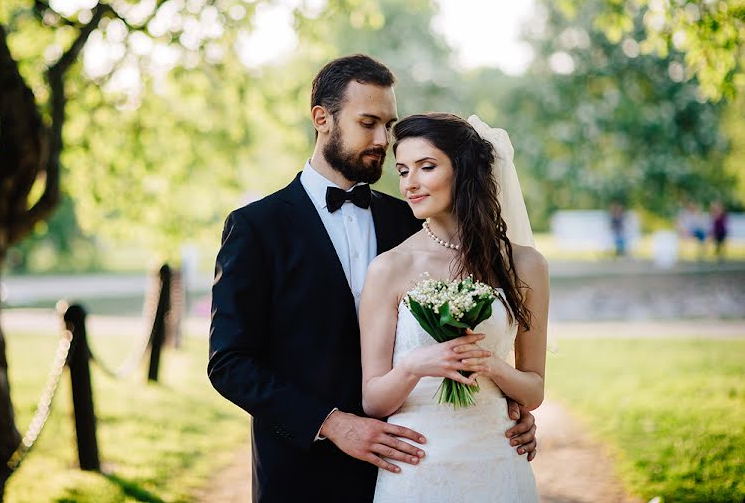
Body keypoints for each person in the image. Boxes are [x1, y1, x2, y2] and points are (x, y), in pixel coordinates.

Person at [208, 55, 537, 503]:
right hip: (304, 469)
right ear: (322, 119)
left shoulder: (414, 218)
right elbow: (230, 363)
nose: (384, 140)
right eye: (369, 123)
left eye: (389, 124)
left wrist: (505, 406)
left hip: (415, 465)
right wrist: (332, 423)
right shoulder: (256, 228)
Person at [361, 113, 547, 502]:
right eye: (403, 170)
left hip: (498, 460)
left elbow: (533, 391)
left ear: (463, 171)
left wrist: (490, 365)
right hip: (417, 466)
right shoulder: (390, 268)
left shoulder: (527, 265)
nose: (409, 183)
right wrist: (414, 365)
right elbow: (374, 400)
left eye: (426, 167)